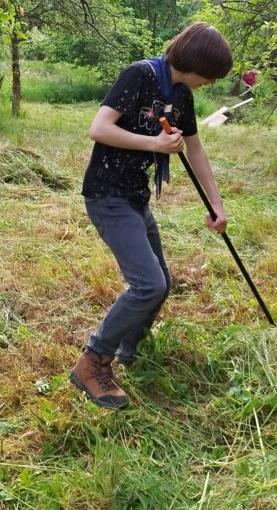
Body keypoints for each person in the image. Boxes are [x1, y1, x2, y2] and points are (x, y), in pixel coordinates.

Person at [70, 22, 234, 409]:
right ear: (195, 62)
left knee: (162, 281)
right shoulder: (139, 75)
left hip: (135, 197)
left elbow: (194, 149)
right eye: (209, 75)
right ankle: (92, 362)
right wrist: (155, 143)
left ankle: (131, 354)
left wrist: (217, 204)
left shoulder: (180, 94)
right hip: (107, 194)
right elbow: (98, 128)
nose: (209, 83)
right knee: (149, 285)